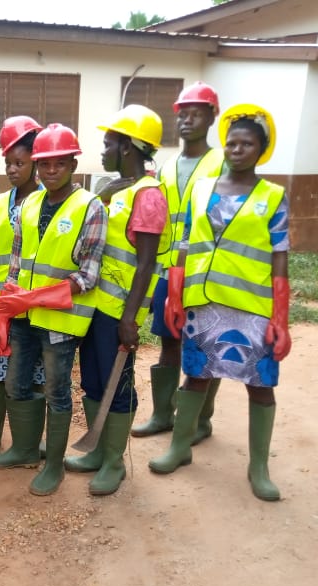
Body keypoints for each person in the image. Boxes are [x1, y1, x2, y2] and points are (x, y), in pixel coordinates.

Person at [150, 103, 290, 502]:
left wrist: (281, 316)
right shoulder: (201, 188)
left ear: (261, 150)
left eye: (247, 143)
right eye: (232, 142)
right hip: (201, 302)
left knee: (260, 385)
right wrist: (174, 296)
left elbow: (280, 258)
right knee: (196, 374)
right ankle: (179, 447)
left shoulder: (273, 196)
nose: (237, 149)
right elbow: (183, 243)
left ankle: (258, 467)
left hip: (253, 308)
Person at [0, 124, 106, 498]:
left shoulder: (90, 207)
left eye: (59, 163)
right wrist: (6, 314)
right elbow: (15, 264)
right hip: (23, 317)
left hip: (60, 321)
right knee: (16, 383)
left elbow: (87, 275)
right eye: (44, 164)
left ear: (73, 163)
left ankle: (53, 464)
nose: (50, 171)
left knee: (57, 390)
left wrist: (33, 299)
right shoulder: (28, 205)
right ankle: (24, 449)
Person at [64, 105, 170, 496]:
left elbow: (145, 264)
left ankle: (113, 461)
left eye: (109, 142)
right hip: (93, 307)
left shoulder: (149, 196)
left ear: (127, 146)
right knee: (93, 380)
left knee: (117, 384)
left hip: (117, 313)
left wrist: (130, 318)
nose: (104, 149)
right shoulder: (115, 189)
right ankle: (95, 449)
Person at [132, 82, 226, 443]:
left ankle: (201, 419)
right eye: (182, 114)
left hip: (206, 273)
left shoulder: (222, 163)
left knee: (204, 346)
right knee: (169, 341)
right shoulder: (169, 165)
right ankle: (161, 414)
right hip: (168, 270)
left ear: (211, 116)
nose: (187, 120)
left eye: (196, 113)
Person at [0, 115, 47, 459]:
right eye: (8, 162)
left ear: (36, 162)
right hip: (2, 306)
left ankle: (31, 438)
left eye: (19, 162)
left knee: (37, 370)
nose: (11, 169)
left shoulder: (52, 201)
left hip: (37, 305)